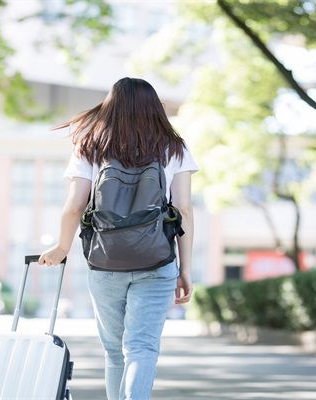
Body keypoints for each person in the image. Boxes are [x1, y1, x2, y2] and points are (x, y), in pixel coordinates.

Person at [39, 77, 198, 400]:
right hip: (158, 259)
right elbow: (183, 208)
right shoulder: (173, 147)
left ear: (111, 107)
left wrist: (62, 247)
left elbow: (73, 207)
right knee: (141, 347)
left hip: (105, 260)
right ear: (154, 108)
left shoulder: (90, 147)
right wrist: (185, 269)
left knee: (114, 351)